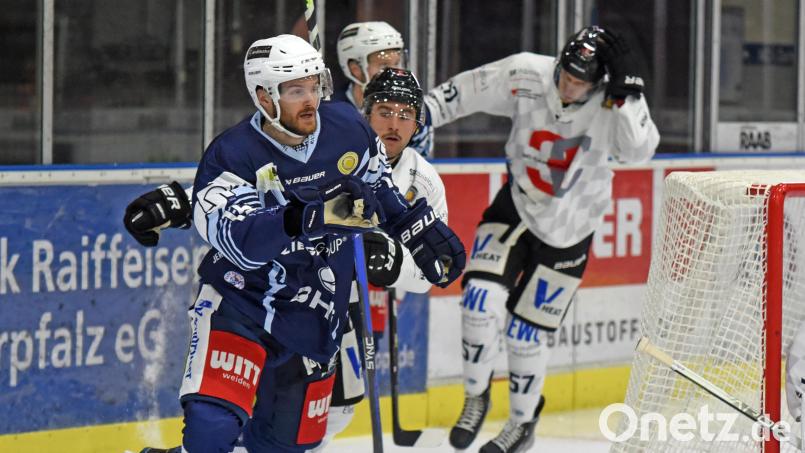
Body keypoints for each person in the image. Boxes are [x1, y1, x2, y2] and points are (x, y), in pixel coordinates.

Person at [135, 34, 465, 453]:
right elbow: (242, 243)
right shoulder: (231, 155)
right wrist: (307, 216)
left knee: (286, 446)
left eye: (313, 86)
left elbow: (378, 185)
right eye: (295, 91)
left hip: (315, 314)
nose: (310, 100)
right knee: (212, 428)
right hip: (243, 302)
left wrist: (412, 225)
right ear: (264, 96)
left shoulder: (347, 127)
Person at [423, 26, 659, 453]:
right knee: (478, 302)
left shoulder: (612, 103)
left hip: (570, 230)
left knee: (525, 337)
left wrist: (628, 95)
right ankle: (476, 396)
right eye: (565, 74)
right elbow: (468, 90)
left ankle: (522, 424)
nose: (568, 86)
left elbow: (640, 151)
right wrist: (422, 113)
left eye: (580, 81)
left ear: (600, 82)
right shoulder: (529, 73)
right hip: (515, 206)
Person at [334, 21, 433, 157]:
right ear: (356, 70)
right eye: (384, 65)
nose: (394, 72)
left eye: (397, 63)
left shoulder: (414, 111)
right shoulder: (333, 116)